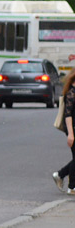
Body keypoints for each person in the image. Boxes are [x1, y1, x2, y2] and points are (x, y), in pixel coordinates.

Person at [52, 67, 75, 195]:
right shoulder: (71, 93)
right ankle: (72, 187)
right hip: (73, 130)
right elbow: (68, 115)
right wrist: (71, 134)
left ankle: (60, 175)